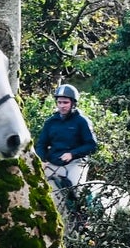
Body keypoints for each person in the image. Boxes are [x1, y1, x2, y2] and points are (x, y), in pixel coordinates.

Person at [34, 84, 99, 212]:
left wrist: (72, 154)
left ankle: (83, 221)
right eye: (59, 102)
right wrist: (41, 159)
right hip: (53, 163)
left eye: (65, 102)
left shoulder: (82, 121)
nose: (62, 106)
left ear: (73, 103)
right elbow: (41, 144)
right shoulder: (50, 122)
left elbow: (92, 145)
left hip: (75, 163)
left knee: (75, 190)